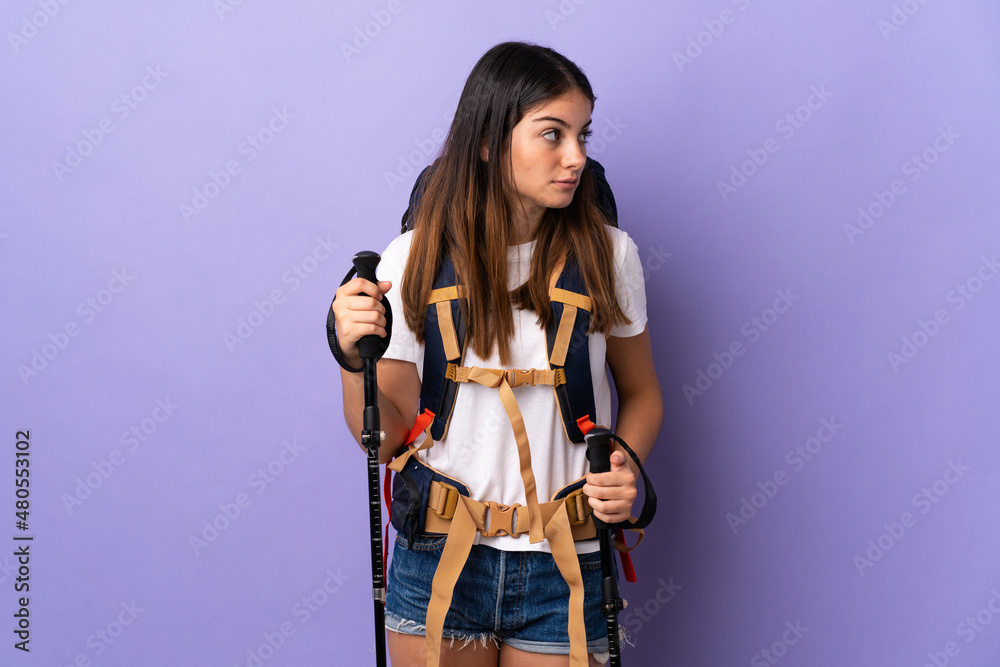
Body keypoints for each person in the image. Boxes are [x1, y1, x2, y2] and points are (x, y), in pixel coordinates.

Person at [332, 41, 662, 667]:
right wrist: (355, 362)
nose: (577, 158)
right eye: (552, 135)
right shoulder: (412, 258)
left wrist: (627, 468)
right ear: (487, 142)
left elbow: (643, 394)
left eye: (583, 135)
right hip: (439, 555)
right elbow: (385, 434)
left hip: (564, 559)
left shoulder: (610, 256)